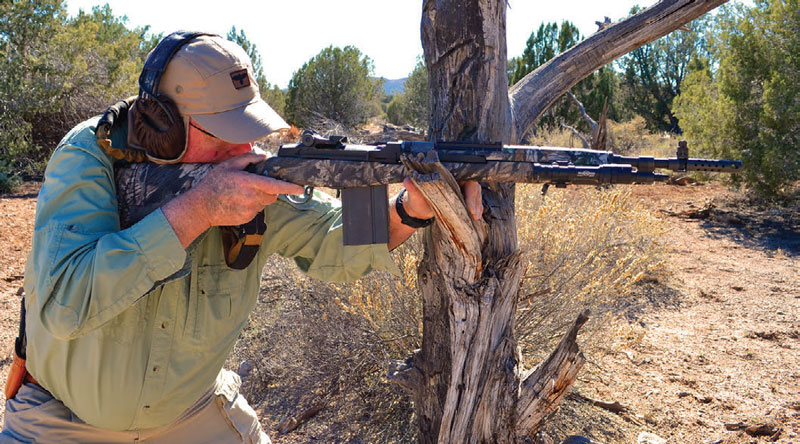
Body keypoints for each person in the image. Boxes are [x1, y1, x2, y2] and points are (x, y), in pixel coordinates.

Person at [1, 33, 481, 443]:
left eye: (247, 130)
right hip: (61, 418)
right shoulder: (92, 157)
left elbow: (332, 238)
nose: (244, 149)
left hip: (190, 412)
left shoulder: (245, 173)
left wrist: (410, 209)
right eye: (224, 134)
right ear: (164, 126)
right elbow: (65, 303)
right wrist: (198, 210)